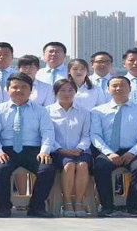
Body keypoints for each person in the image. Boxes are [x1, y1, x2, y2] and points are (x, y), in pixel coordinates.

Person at [0, 73, 56, 218]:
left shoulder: (41, 110)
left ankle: (36, 207)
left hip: (33, 150)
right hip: (7, 149)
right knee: (1, 169)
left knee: (47, 169)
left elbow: (48, 132)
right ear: (7, 90)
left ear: (31, 90)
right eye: (15, 87)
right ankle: (3, 207)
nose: (19, 90)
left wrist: (45, 151)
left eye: (24, 87)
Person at [91, 76, 137, 217]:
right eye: (114, 86)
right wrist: (109, 153)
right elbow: (95, 135)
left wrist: (133, 152)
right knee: (100, 167)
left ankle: (133, 207)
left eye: (122, 85)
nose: (118, 88)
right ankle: (107, 207)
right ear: (108, 89)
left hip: (133, 151)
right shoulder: (97, 111)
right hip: (108, 151)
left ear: (130, 88)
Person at [47, 79, 92, 217]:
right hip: (57, 151)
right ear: (55, 92)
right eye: (62, 90)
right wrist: (60, 149)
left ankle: (79, 202)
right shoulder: (47, 111)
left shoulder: (84, 112)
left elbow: (87, 135)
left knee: (83, 165)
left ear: (76, 92)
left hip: (80, 151)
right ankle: (67, 202)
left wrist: (80, 149)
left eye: (71, 90)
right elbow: (47, 135)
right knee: (69, 166)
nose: (67, 93)